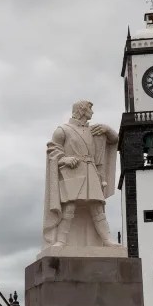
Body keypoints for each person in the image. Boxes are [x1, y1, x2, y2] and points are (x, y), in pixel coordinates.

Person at [42, 100, 121, 249]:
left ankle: (107, 239)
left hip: (91, 171)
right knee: (69, 207)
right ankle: (61, 241)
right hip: (73, 172)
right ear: (82, 110)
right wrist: (64, 159)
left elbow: (114, 139)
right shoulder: (63, 130)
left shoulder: (94, 131)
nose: (92, 112)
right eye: (90, 109)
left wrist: (107, 129)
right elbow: (52, 151)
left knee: (97, 207)